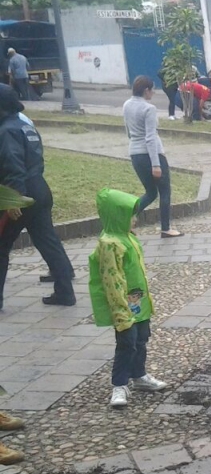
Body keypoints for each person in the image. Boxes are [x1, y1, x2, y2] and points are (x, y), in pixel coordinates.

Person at [88, 188, 170, 407]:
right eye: (130, 215)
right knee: (126, 343)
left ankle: (139, 374)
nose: (134, 220)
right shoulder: (110, 243)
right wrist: (120, 311)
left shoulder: (126, 237)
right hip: (123, 306)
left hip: (138, 303)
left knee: (141, 339)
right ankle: (119, 384)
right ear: (117, 216)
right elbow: (111, 279)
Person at [0, 84, 76, 310]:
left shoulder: (6, 131)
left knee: (2, 247)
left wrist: (14, 200)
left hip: (20, 194)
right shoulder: (25, 126)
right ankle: (65, 292)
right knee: (48, 242)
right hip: (40, 189)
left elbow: (14, 166)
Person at [123, 76, 183, 238]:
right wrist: (156, 164)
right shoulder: (148, 108)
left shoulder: (126, 105)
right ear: (146, 91)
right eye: (152, 90)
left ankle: (126, 217)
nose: (154, 93)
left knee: (150, 192)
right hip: (152, 154)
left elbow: (128, 130)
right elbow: (150, 137)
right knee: (164, 191)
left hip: (135, 153)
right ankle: (166, 228)